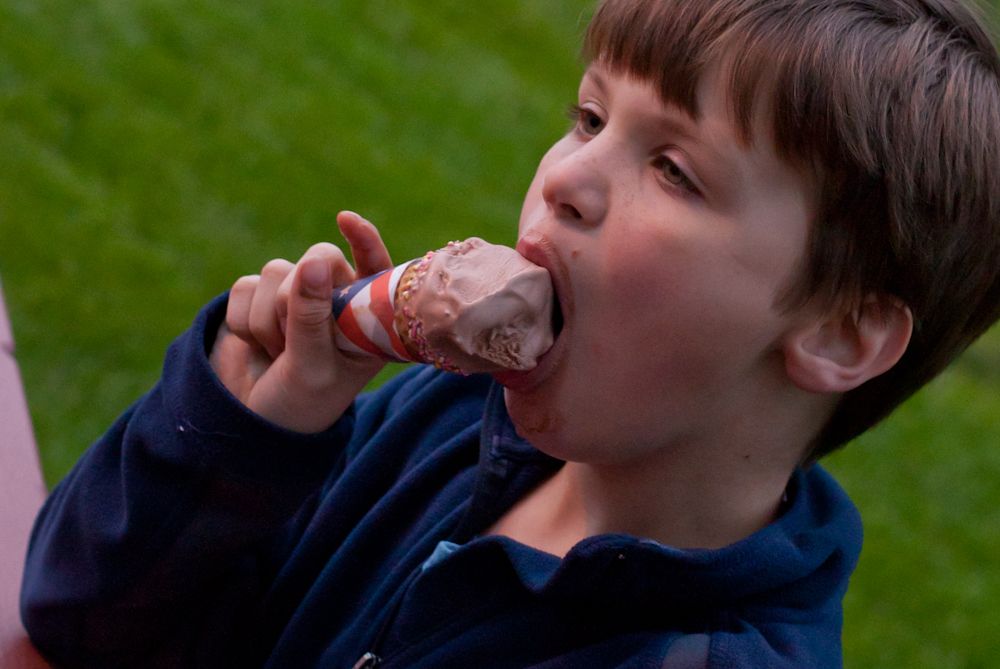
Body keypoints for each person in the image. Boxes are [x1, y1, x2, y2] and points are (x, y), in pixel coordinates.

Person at [21, 0, 1000, 666]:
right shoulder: (444, 415)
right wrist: (239, 436)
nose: (564, 180)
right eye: (587, 117)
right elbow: (80, 620)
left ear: (837, 332)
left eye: (673, 170)